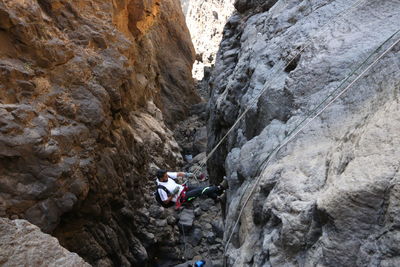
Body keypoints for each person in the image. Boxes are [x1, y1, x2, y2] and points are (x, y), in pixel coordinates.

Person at [156, 169, 228, 207]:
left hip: (183, 189)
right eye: (165, 176)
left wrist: (187, 174)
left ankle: (218, 198)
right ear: (161, 179)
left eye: (166, 175)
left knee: (202, 188)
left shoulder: (166, 175)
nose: (167, 176)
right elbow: (165, 201)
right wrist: (173, 194)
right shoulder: (161, 188)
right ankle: (220, 187)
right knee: (201, 190)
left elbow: (177, 174)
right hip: (182, 198)